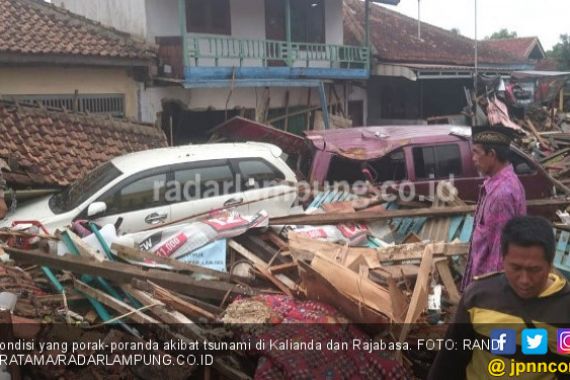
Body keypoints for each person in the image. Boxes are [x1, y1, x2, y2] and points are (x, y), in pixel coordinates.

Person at [428, 216, 570, 380]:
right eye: (515, 267)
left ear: (550, 264)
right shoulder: (478, 298)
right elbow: (450, 362)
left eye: (534, 269)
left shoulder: (565, 307)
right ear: (502, 260)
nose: (524, 280)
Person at [461, 124, 526, 290]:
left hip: (488, 290)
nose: (472, 158)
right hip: (482, 285)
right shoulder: (494, 184)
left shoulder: (501, 194)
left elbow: (499, 254)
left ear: (491, 154)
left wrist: (491, 298)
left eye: (476, 152)